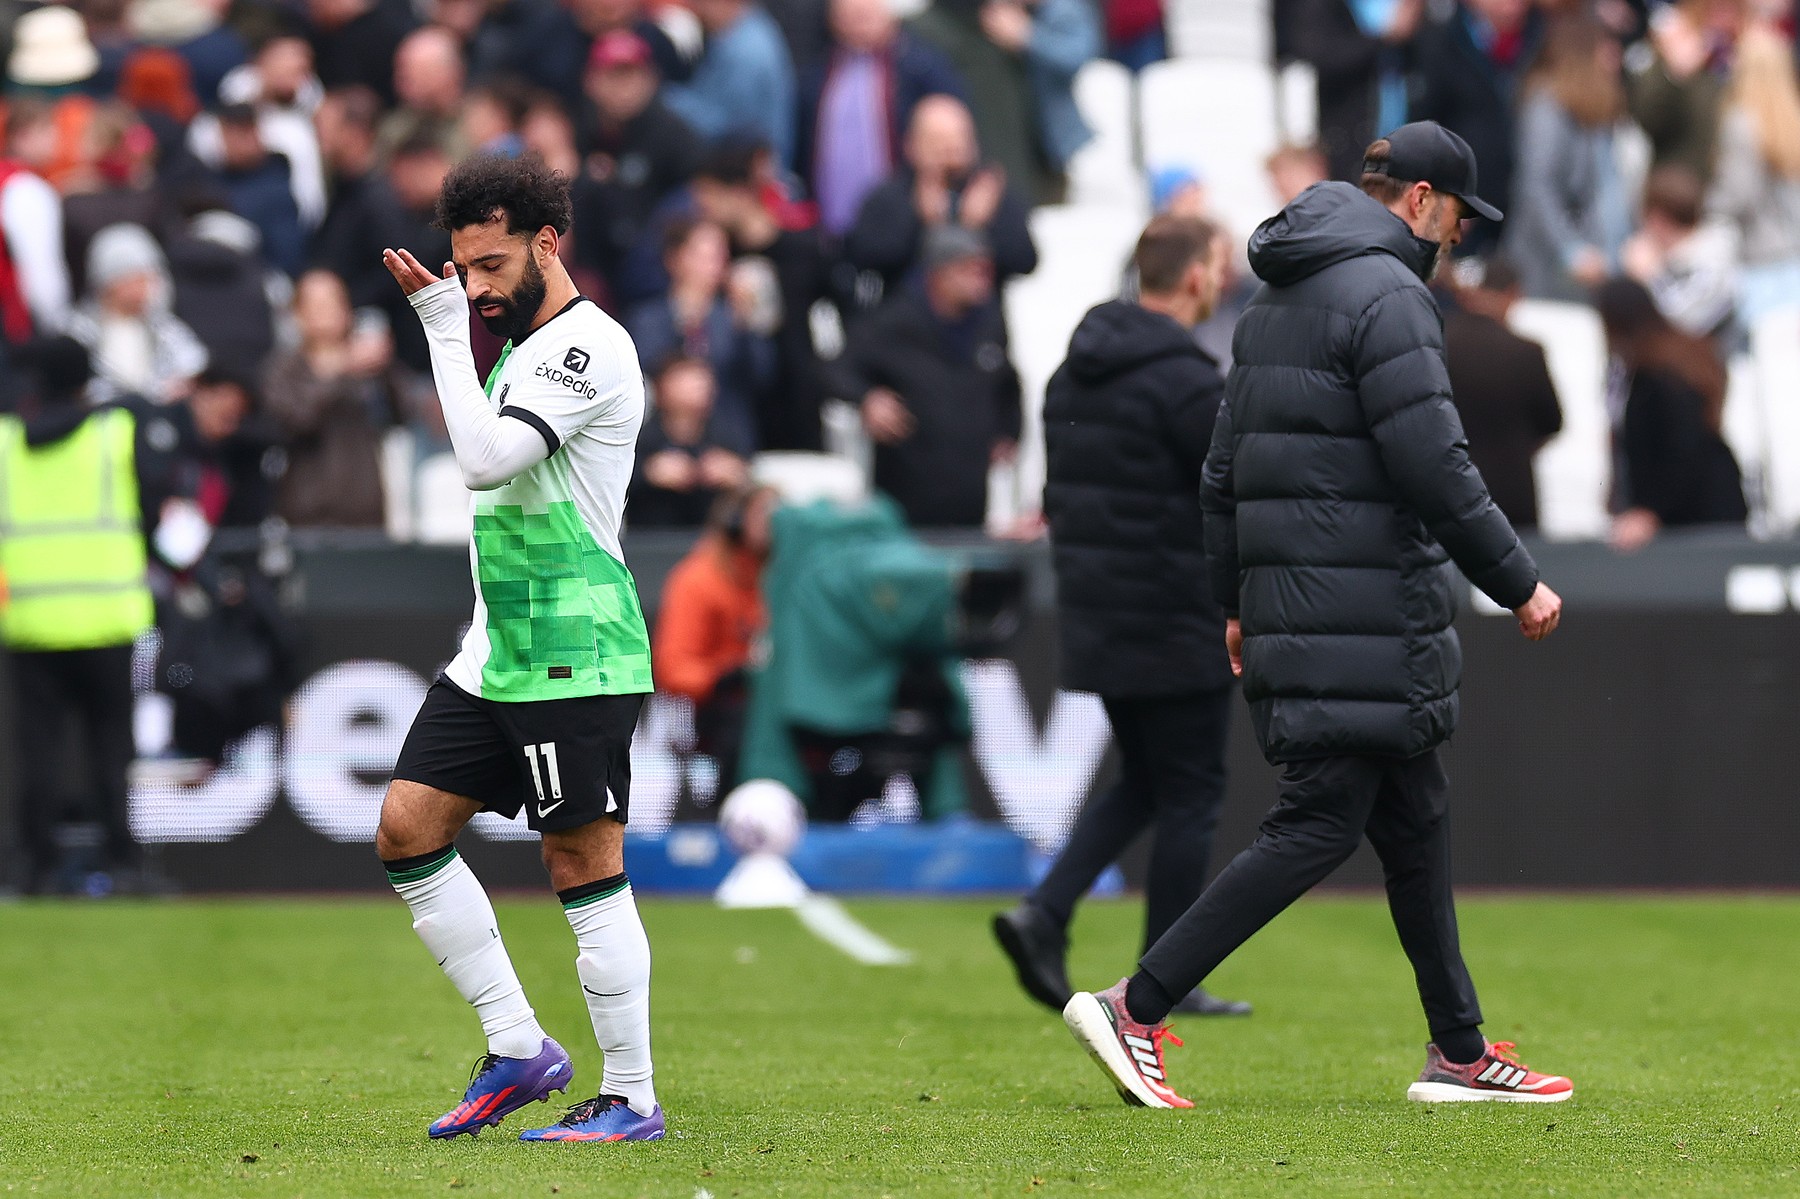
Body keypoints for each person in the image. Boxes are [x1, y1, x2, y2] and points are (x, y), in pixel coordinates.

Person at [1061, 122, 1573, 1109]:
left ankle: (1460, 1050)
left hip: (1309, 608)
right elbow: (1433, 459)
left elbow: (1222, 474)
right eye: (1457, 219)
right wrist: (1518, 579)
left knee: (1415, 817)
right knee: (1319, 820)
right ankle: (1138, 1004)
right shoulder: (1389, 294)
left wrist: (1236, 600)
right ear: (1420, 199)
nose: (1455, 240)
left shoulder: (1271, 300)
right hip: (1366, 611)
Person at [375, 151, 665, 1144]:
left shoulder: (586, 349)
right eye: (463, 268)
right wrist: (462, 329)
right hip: (498, 648)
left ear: (550, 240)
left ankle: (630, 1095)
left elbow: (485, 459)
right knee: (407, 827)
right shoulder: (518, 343)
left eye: (492, 264)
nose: (477, 287)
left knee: (581, 859)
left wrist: (442, 327)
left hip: (574, 650)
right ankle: (518, 1047)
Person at [993, 215, 1249, 1019]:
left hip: (1099, 609)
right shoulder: (1187, 380)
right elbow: (1226, 494)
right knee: (1192, 788)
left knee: (1148, 779)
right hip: (1176, 612)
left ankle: (1046, 912)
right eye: (1220, 264)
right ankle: (1165, 976)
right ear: (1198, 275)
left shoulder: (1075, 371)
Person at [0, 336, 153, 895]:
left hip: (32, 623)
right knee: (111, 751)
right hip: (107, 619)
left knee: (36, 756)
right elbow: (157, 513)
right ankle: (123, 864)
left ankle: (31, 869)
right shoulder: (116, 434)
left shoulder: (7, 443)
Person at [828, 223, 1021, 528]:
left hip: (970, 499)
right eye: (972, 270)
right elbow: (836, 369)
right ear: (940, 274)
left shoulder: (989, 323)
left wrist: (1009, 432)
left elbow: (1008, 382)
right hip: (908, 499)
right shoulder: (892, 324)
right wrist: (867, 399)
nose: (983, 281)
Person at [1594, 278, 1747, 552]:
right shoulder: (1686, 354)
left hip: (1693, 517)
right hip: (1712, 504)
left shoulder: (1657, 375)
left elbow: (1683, 448)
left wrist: (1651, 511)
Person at [798, 0, 968, 237]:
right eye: (849, 15)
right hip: (828, 221)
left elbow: (959, 126)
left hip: (906, 217)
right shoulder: (816, 73)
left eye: (866, 13)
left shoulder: (921, 66)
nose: (858, 22)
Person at [843, 94, 1037, 302]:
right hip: (904, 322)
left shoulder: (989, 194)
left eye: (959, 142)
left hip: (981, 326)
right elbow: (865, 259)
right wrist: (920, 220)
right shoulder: (888, 197)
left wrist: (981, 225)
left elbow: (1026, 261)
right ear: (912, 145)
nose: (950, 153)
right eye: (939, 143)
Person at [653, 483, 779, 799]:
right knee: (744, 720)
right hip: (720, 707)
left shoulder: (793, 577)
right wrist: (727, 675)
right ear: (736, 522)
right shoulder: (699, 579)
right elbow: (674, 666)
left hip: (781, 700)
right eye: (764, 513)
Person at [907, 0, 1098, 205]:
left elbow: (1080, 55)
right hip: (1000, 144)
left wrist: (1026, 35)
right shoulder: (942, 25)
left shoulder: (1058, 10)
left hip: (1045, 148)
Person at [1505, 15, 1633, 301]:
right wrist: (1571, 250)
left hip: (1600, 261)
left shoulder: (1597, 113)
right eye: (1607, 49)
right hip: (1552, 268)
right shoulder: (1547, 108)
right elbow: (1537, 187)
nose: (1616, 58)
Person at [261, 268, 395, 527]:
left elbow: (400, 414)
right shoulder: (284, 369)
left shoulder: (368, 364)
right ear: (297, 314)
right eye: (316, 305)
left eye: (332, 302)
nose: (325, 312)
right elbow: (296, 420)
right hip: (308, 512)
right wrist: (343, 370)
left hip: (367, 512)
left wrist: (386, 368)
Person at [1409, 0, 1544, 254]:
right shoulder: (1441, 41)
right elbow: (1424, 129)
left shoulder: (1544, 39)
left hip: (1529, 213)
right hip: (1467, 212)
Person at [625, 216, 776, 444]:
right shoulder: (647, 318)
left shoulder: (731, 317)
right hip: (657, 440)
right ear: (674, 259)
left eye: (720, 257)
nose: (714, 265)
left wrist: (745, 323)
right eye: (703, 256)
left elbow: (762, 376)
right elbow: (639, 376)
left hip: (727, 440)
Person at [1442, 257, 1562, 531]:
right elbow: (1552, 423)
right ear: (1512, 294)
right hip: (1511, 496)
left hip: (1447, 490)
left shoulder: (1435, 343)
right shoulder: (1526, 352)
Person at [1705, 26, 1800, 326]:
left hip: (1761, 260)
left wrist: (1704, 210)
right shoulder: (1792, 120)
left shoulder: (1743, 124)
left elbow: (1737, 195)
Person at [68, 221, 209, 403]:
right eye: (137, 278)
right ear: (110, 283)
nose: (147, 287)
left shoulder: (163, 327)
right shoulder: (80, 330)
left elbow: (193, 362)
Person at [662, 0, 797, 168]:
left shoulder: (747, 52)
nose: (697, 11)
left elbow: (728, 128)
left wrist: (663, 97)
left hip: (752, 176)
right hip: (743, 167)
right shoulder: (741, 31)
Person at [628, 353, 754, 527]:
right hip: (650, 539)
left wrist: (735, 474)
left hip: (712, 540)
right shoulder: (640, 436)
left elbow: (752, 477)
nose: (699, 386)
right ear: (661, 387)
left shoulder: (727, 433)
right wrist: (648, 473)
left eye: (703, 380)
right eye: (687, 380)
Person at [1621, 164, 1738, 339]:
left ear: (1657, 220)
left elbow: (1686, 325)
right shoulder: (1676, 257)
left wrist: (1649, 278)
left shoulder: (1712, 260)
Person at [0, 98, 74, 346]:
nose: (56, 141)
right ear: (23, 135)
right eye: (49, 132)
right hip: (14, 325)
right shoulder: (28, 189)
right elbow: (40, 267)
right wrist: (56, 325)